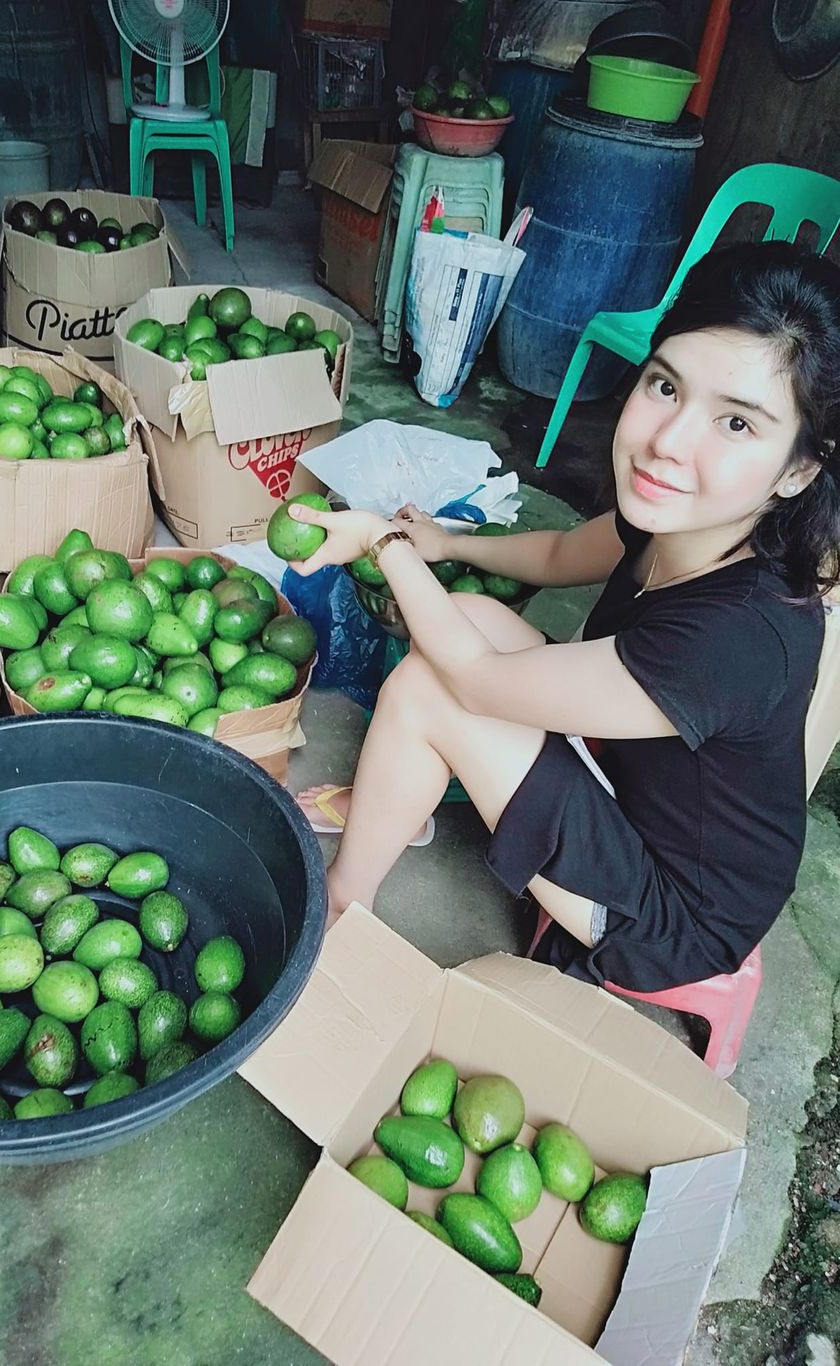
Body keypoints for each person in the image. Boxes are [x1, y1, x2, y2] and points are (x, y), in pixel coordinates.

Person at [288, 240, 840, 993]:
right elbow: (555, 555)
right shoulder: (683, 516)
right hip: (630, 783)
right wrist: (443, 542)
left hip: (672, 910)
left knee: (433, 685)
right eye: (665, 386)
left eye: (737, 424)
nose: (667, 444)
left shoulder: (742, 634)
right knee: (469, 612)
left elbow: (477, 683)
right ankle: (397, 801)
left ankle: (344, 899)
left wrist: (382, 543)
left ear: (801, 468)